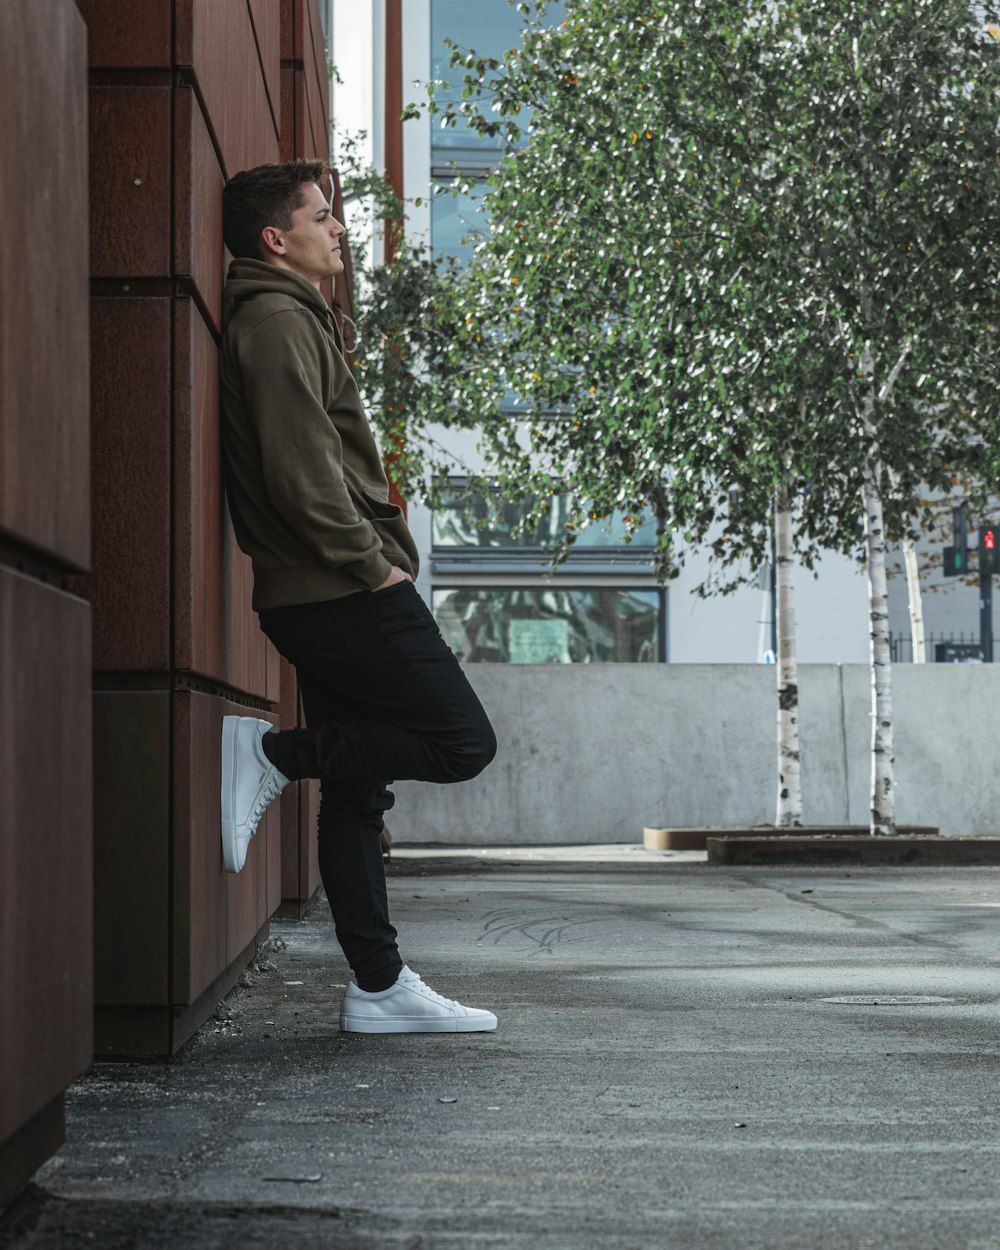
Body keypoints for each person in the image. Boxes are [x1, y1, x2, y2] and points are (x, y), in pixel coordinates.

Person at [218, 158, 498, 1034]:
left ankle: (378, 987)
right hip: (340, 587)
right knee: (462, 742)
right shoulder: (274, 321)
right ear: (277, 238)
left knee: (359, 794)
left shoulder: (296, 318)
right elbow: (300, 474)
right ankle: (273, 757)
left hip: (325, 588)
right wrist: (374, 566)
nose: (337, 228)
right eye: (321, 217)